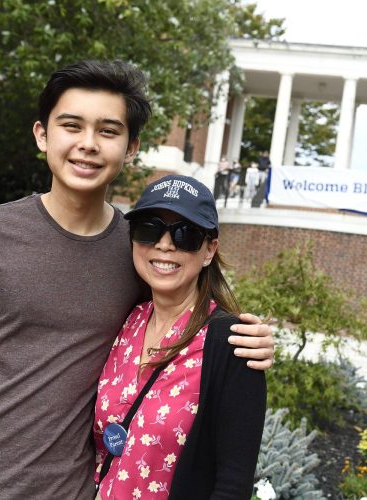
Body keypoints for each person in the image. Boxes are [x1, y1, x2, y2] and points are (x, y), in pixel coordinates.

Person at [0, 60, 274, 499]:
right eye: (71, 125)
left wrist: (248, 339)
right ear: (42, 134)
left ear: (131, 148)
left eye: (108, 131)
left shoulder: (139, 249)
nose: (88, 144)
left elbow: (187, 308)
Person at [92, 175, 266, 498]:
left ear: (209, 250)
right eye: (149, 228)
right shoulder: (129, 319)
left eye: (185, 234)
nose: (165, 244)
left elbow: (233, 486)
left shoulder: (231, 344)